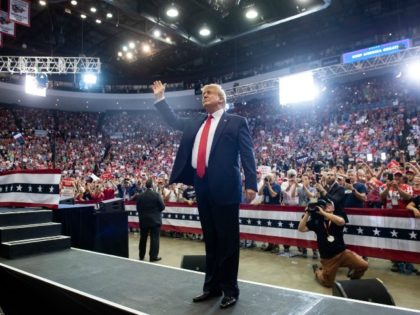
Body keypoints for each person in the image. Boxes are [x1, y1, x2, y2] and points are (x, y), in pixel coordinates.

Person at [152, 81, 257, 309]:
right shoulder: (196, 122)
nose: (204, 96)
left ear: (221, 99)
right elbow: (173, 121)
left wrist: (251, 183)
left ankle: (230, 290)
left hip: (226, 188)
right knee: (210, 239)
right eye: (203, 94)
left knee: (227, 241)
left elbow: (247, 153)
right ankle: (211, 287)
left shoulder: (236, 122)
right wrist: (161, 99)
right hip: (202, 186)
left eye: (209, 93)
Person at [298, 198, 368, 288]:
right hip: (328, 258)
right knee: (328, 284)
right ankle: (317, 272)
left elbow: (341, 221)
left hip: (342, 253)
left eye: (329, 204)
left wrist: (323, 213)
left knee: (363, 265)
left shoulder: (339, 215)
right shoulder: (317, 220)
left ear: (333, 208)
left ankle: (354, 278)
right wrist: (308, 213)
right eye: (324, 205)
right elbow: (301, 229)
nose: (326, 206)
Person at [136, 178, 165, 262]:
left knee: (143, 238)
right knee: (154, 239)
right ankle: (153, 257)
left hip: (143, 220)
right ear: (152, 185)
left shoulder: (140, 196)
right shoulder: (156, 195)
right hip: (155, 220)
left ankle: (141, 256)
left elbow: (138, 208)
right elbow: (162, 207)